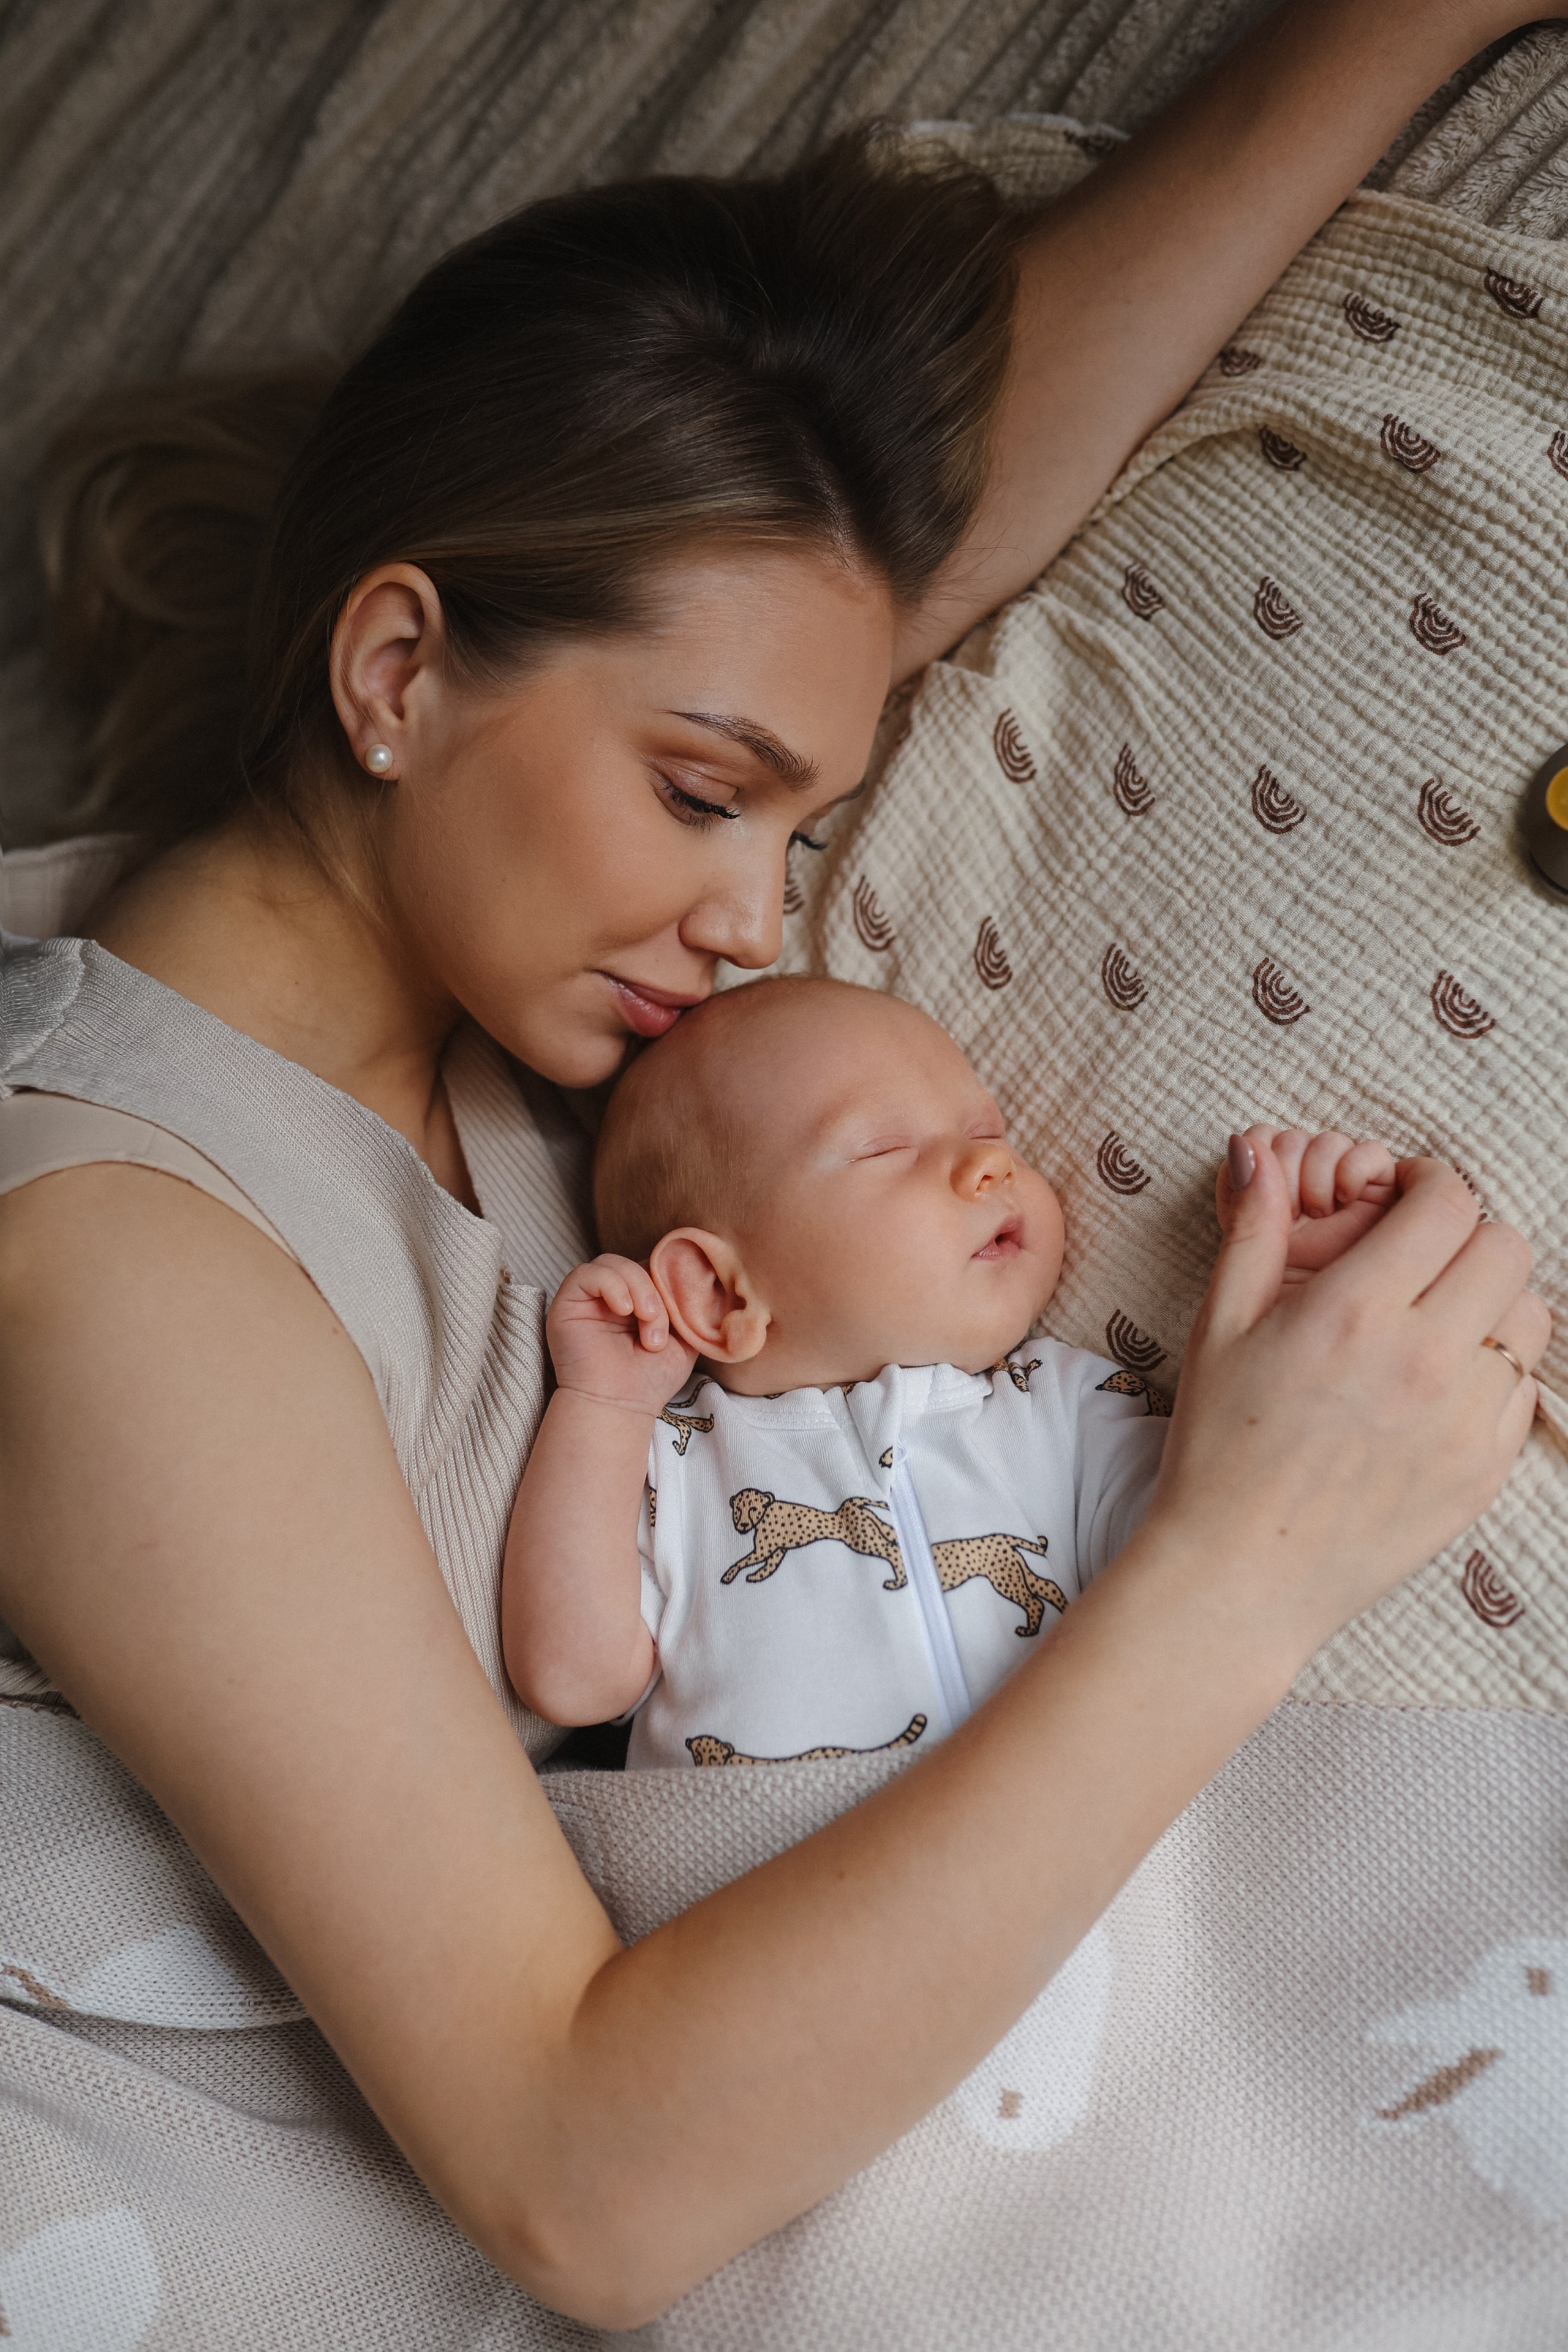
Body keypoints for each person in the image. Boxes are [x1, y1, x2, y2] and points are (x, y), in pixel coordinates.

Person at [0, 0, 1550, 2331]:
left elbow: (882, 537)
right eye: (710, 797)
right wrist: (1258, 1546)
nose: (756, 914)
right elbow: (579, 2182)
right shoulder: (118, 1261)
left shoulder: (539, 1001)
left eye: (800, 820)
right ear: (398, 670)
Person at [502, 976, 1403, 1765]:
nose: (989, 1163)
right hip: (747, 1921)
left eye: (986, 1130)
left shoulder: (1068, 1409)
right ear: (718, 1296)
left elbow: (1220, 1543)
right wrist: (605, 1404)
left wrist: (1291, 1287)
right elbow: (573, 1682)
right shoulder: (678, 1468)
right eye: (885, 1148)